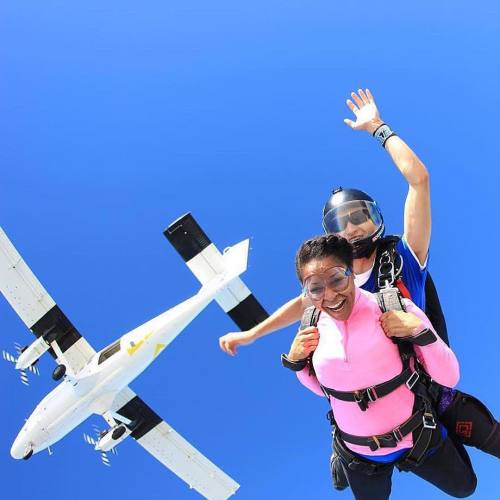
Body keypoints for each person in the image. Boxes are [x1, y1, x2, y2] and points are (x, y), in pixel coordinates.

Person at [219, 89, 500, 462]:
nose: (351, 226)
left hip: (429, 388)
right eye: (341, 222)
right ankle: (346, 448)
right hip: (374, 407)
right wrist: (252, 334)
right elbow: (299, 304)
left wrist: (378, 129)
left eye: (358, 216)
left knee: (490, 441)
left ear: (375, 218)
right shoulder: (336, 282)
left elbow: (419, 181)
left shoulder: (402, 257)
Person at [284, 234, 476, 499]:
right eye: (315, 288)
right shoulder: (311, 328)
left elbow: (449, 376)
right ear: (306, 292)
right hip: (359, 455)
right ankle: (338, 459)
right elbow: (324, 390)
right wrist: (297, 364)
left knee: (465, 487)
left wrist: (420, 332)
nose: (329, 295)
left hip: (417, 436)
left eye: (337, 279)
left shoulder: (392, 307)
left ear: (352, 273)